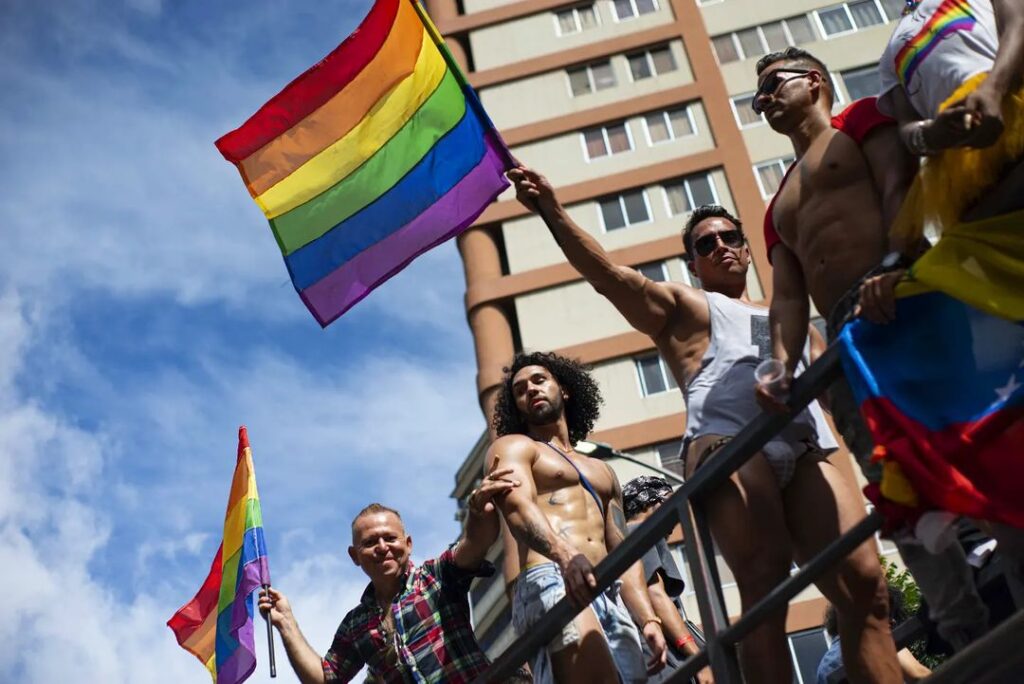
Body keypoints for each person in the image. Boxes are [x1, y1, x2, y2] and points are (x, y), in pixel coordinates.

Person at [507, 163, 899, 683]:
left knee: (866, 586)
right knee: (764, 584)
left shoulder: (792, 322)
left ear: (746, 247)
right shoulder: (685, 305)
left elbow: (842, 406)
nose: (720, 247)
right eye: (705, 244)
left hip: (805, 448)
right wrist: (551, 210)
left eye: (729, 237)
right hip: (729, 443)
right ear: (693, 264)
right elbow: (610, 278)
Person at [750, 46, 992, 653]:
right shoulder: (777, 205)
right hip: (845, 343)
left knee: (967, 440)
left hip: (903, 296)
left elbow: (897, 186)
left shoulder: (858, 121)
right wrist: (778, 364)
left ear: (813, 81)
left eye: (773, 84)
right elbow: (787, 298)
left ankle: (1008, 571)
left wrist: (894, 262)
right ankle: (962, 628)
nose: (764, 99)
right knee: (892, 480)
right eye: (756, 96)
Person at [486, 350, 667, 683]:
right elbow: (518, 509)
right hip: (550, 575)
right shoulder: (514, 447)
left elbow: (622, 551)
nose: (531, 389)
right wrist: (565, 554)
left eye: (539, 380)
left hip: (606, 588)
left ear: (564, 390)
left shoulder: (602, 469)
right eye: (520, 390)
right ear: (517, 406)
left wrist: (648, 619)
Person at [257, 482, 523, 684]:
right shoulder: (356, 624)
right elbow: (326, 678)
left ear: (408, 544)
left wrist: (478, 512)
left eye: (390, 538)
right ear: (354, 556)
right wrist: (286, 623)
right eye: (370, 542)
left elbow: (475, 543)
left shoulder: (435, 577)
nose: (382, 547)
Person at [878, 0, 1024, 237]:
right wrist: (933, 134)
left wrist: (993, 90)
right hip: (963, 171)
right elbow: (907, 126)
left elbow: (1018, 23)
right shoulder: (889, 56)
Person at [622, 475, 714, 684]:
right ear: (650, 502)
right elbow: (656, 596)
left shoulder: (621, 539)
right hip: (663, 658)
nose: (677, 518)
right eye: (671, 503)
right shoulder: (638, 532)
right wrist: (698, 660)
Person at [816, 587, 931, 684]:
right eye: (887, 616)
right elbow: (918, 674)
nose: (892, 623)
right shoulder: (875, 640)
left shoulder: (824, 669)